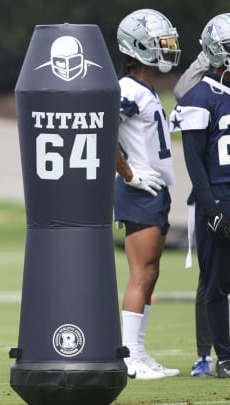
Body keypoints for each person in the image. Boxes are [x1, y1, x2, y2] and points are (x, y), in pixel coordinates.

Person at [114, 9, 182, 380]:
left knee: (151, 272)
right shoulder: (126, 89)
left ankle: (138, 352)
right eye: (160, 43)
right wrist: (127, 172)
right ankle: (128, 357)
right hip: (138, 189)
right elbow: (104, 131)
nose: (168, 49)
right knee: (142, 272)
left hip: (151, 187)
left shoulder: (144, 88)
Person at [170, 12, 230, 379]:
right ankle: (221, 357)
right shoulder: (199, 95)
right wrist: (210, 207)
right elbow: (193, 160)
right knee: (214, 284)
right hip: (218, 197)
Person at [173, 50, 215, 377]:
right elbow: (182, 91)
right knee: (210, 279)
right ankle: (205, 354)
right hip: (213, 193)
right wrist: (206, 54)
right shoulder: (207, 90)